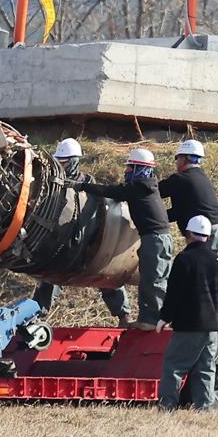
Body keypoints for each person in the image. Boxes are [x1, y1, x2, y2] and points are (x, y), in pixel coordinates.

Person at [33, 137, 132, 326]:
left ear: (73, 161)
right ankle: (37, 316)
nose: (60, 166)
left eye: (63, 162)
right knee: (50, 277)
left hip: (87, 240)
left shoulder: (88, 183)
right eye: (59, 162)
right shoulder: (53, 184)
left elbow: (101, 210)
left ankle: (124, 316)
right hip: (63, 243)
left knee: (106, 275)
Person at [73, 146, 174, 330]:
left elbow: (113, 191)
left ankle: (153, 321)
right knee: (151, 278)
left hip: (155, 239)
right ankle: (149, 318)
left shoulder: (138, 187)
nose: (126, 171)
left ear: (139, 169)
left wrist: (84, 186)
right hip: (155, 238)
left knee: (154, 280)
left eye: (129, 168)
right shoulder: (148, 186)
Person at [156, 214, 218, 411]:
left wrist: (165, 317)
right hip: (211, 327)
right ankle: (204, 408)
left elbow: (174, 293)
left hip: (188, 325)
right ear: (208, 236)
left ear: (188, 234)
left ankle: (166, 406)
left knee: (174, 366)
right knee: (205, 369)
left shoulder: (184, 259)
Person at [158, 139, 218, 261]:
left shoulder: (180, 179)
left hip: (206, 233)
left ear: (182, 159)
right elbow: (179, 211)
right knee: (214, 275)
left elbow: (153, 192)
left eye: (178, 159)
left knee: (200, 274)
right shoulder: (202, 178)